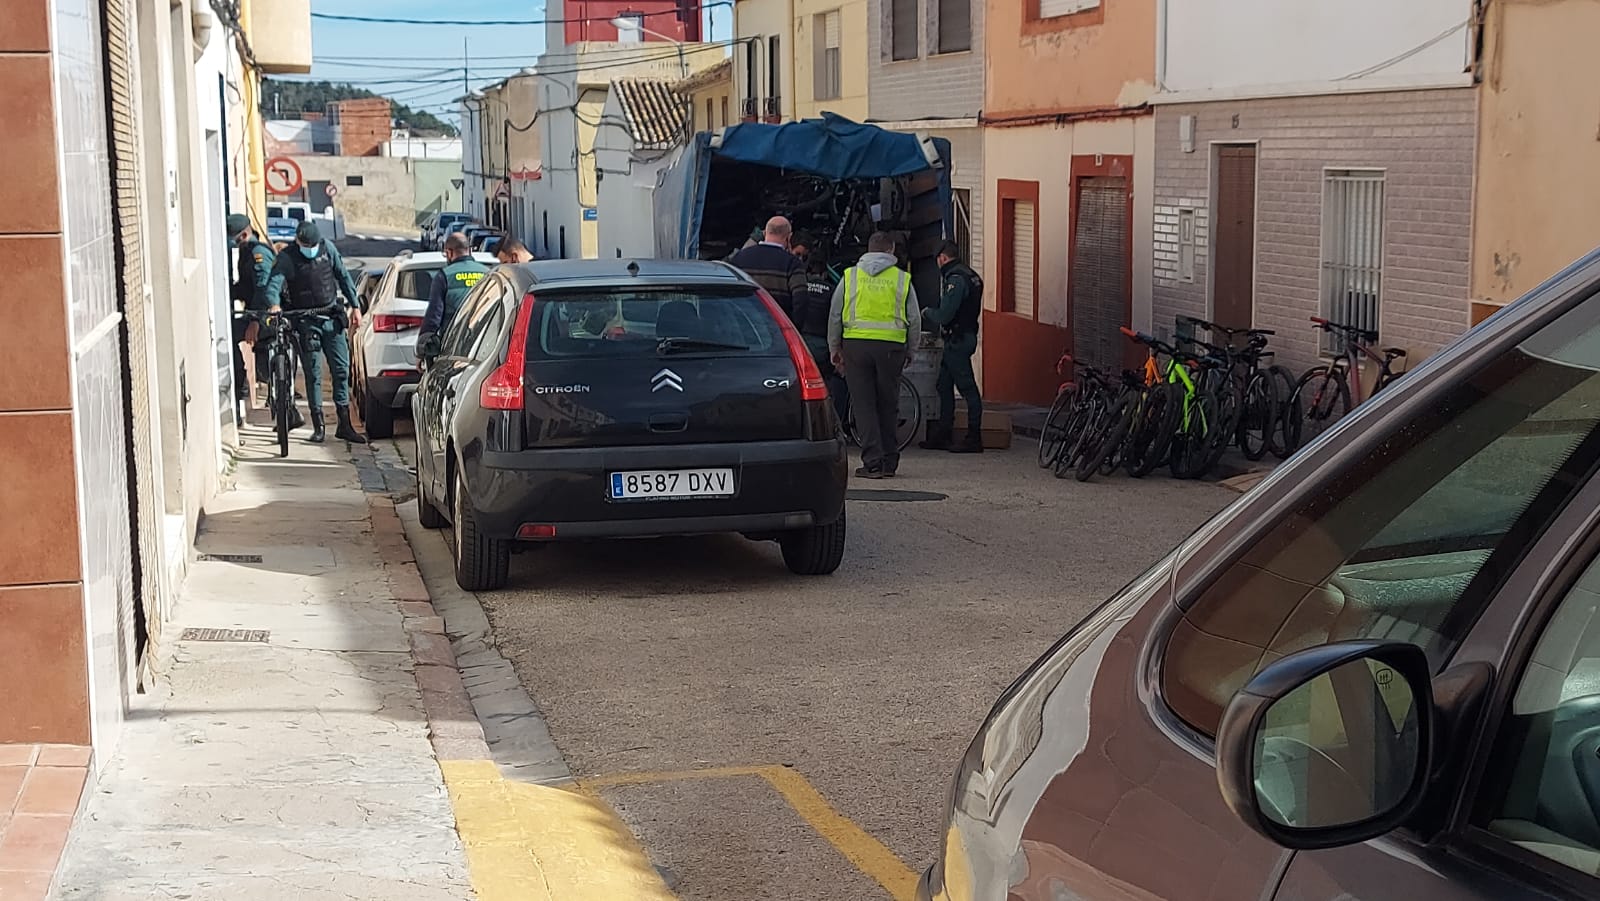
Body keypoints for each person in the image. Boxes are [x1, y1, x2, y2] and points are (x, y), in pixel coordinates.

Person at [264, 221, 367, 444]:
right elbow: (274, 282)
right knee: (313, 373)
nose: (309, 248)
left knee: (341, 370)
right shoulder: (288, 257)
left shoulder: (328, 249)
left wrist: (355, 306)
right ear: (298, 241)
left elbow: (343, 277)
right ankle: (318, 426)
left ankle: (344, 425)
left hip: (331, 317)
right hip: (306, 321)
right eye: (305, 244)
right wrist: (274, 304)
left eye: (312, 244)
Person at [829, 232, 921, 479]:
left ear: (868, 250)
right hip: (891, 348)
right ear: (891, 251)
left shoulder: (850, 276)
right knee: (888, 404)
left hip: (856, 346)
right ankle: (890, 461)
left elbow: (835, 314)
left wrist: (834, 348)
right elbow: (914, 318)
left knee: (864, 404)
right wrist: (912, 350)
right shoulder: (901, 278)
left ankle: (872, 463)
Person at [920, 240, 985, 454]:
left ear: (943, 258)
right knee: (943, 384)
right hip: (961, 338)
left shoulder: (956, 280)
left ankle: (974, 437)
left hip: (957, 340)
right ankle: (943, 433)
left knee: (967, 388)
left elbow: (944, 314)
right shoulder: (970, 275)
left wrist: (927, 312)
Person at [791, 248, 848, 424]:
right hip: (823, 347)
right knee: (838, 382)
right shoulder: (832, 290)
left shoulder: (800, 287)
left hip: (801, 346)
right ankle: (834, 423)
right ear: (825, 272)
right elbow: (836, 320)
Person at [226, 213, 278, 406]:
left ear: (244, 235)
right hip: (256, 313)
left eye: (234, 238)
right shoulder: (247, 252)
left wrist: (255, 321)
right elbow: (247, 288)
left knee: (229, 333)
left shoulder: (259, 254)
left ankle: (240, 387)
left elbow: (264, 290)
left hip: (266, 317)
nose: (233, 243)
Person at [418, 232, 490, 359]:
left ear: (449, 252)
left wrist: (423, 351)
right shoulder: (488, 273)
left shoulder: (444, 276)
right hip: (485, 344)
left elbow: (433, 318)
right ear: (469, 250)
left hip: (454, 346)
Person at [726, 216, 806, 320]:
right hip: (776, 329)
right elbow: (801, 299)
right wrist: (792, 327)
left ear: (764, 233)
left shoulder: (740, 258)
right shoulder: (792, 263)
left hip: (743, 325)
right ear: (789, 237)